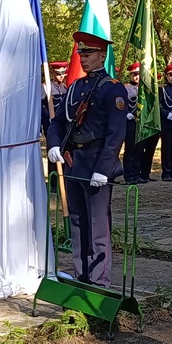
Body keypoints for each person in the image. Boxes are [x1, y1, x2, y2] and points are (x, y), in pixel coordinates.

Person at [46, 32, 126, 288]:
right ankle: (82, 276)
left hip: (96, 161)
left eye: (88, 53)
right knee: (78, 221)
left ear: (102, 55)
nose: (83, 58)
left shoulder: (113, 88)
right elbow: (58, 122)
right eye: (81, 53)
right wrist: (54, 144)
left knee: (98, 225)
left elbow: (116, 133)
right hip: (74, 161)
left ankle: (99, 281)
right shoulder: (75, 87)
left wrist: (104, 167)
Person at [122, 62, 143, 184]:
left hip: (141, 123)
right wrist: (126, 113)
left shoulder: (144, 89)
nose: (137, 77)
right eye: (134, 74)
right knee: (130, 149)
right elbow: (120, 103)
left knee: (139, 149)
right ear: (130, 75)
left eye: (139, 74)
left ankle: (136, 173)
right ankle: (128, 175)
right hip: (130, 122)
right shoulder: (125, 88)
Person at [41, 61, 68, 137]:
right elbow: (40, 107)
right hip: (51, 122)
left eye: (63, 73)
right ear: (53, 73)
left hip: (63, 122)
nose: (61, 76)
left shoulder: (65, 87)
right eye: (59, 73)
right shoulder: (46, 87)